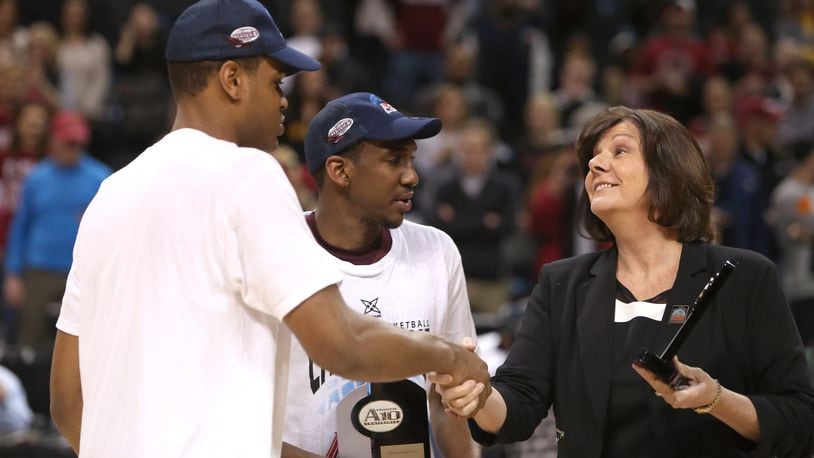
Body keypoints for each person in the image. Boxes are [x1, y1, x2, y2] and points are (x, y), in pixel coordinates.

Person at [48, 1, 490, 457]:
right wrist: (448, 356)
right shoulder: (246, 175)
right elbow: (344, 344)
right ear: (232, 80)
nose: (283, 99)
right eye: (275, 82)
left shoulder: (110, 194)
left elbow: (67, 400)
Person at [432, 106, 814, 457]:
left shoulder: (744, 277)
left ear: (669, 170)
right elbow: (519, 404)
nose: (596, 164)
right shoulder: (561, 283)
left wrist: (716, 399)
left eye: (619, 151)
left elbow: (799, 418)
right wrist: (479, 395)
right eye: (593, 157)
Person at [282, 92, 479, 457]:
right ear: (340, 171)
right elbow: (244, 420)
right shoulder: (275, 253)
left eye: (411, 158)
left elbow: (449, 404)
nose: (412, 175)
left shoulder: (437, 250)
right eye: (393, 160)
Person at [4, 109, 110, 352]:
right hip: (38, 271)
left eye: (78, 144)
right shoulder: (37, 178)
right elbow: (20, 228)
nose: (74, 149)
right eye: (68, 143)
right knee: (29, 339)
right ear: (54, 140)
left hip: (81, 271)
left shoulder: (101, 178)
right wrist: (13, 274)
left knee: (82, 341)